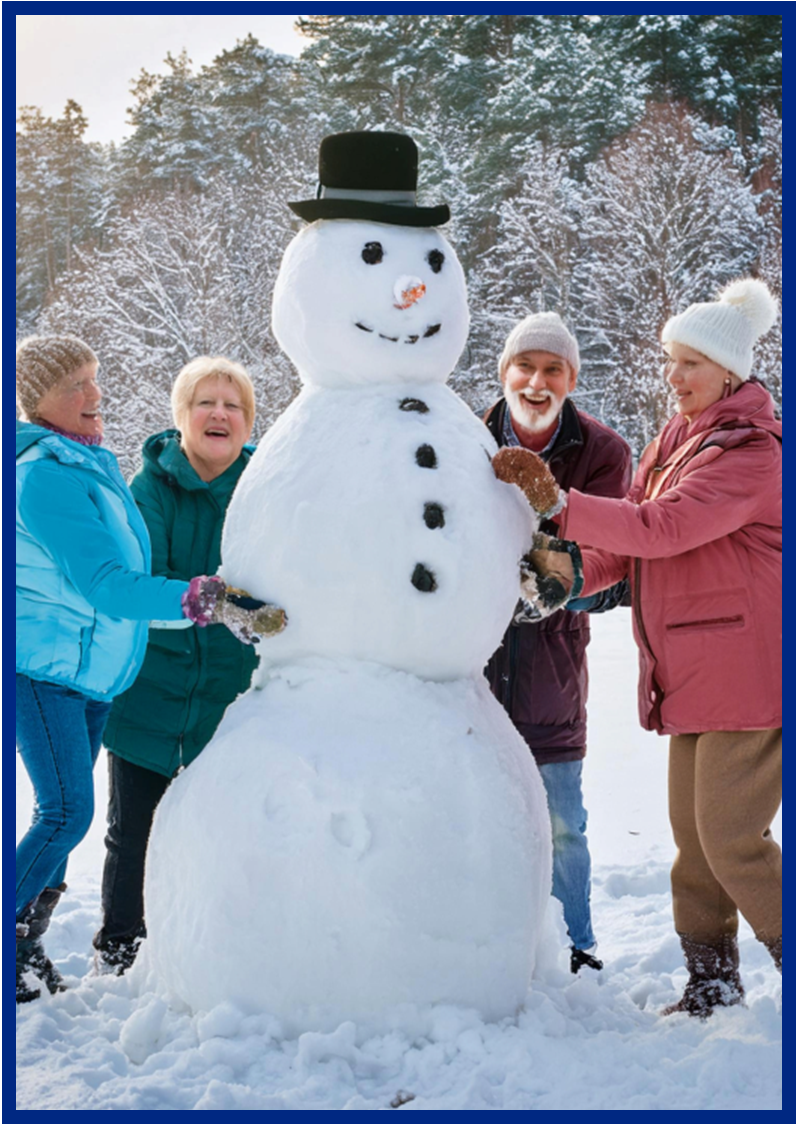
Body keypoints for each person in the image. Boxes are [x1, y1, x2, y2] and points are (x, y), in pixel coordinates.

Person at [513, 279, 782, 1016]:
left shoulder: (748, 452)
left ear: (727, 370)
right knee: (693, 848)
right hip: (690, 672)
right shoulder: (675, 442)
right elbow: (633, 551)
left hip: (748, 675)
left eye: (687, 363)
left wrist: (559, 504)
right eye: (669, 360)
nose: (672, 375)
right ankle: (711, 983)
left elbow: (661, 528)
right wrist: (566, 579)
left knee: (730, 838)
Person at [15, 337, 283, 1003]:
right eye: (77, 384)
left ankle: (22, 940)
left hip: (103, 673)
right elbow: (113, 582)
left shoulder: (85, 462)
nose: (96, 395)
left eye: (94, 379)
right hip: (62, 670)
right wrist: (207, 599)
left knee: (72, 815)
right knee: (73, 814)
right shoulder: (51, 473)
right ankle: (74, 937)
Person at [92, 357, 261, 974]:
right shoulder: (147, 490)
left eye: (233, 405)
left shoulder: (266, 486)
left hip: (229, 696)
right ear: (181, 417)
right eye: (205, 403)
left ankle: (216, 949)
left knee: (225, 833)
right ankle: (118, 950)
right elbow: (148, 580)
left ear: (248, 421)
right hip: (150, 690)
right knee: (132, 831)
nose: (220, 413)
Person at [484, 312, 632, 974]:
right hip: (470, 665)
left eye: (552, 370)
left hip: (551, 667)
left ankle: (575, 946)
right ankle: (483, 943)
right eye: (525, 366)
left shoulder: (601, 451)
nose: (536, 382)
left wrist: (560, 584)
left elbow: (612, 561)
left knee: (562, 822)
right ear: (504, 372)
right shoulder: (465, 437)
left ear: (570, 380)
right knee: (472, 815)